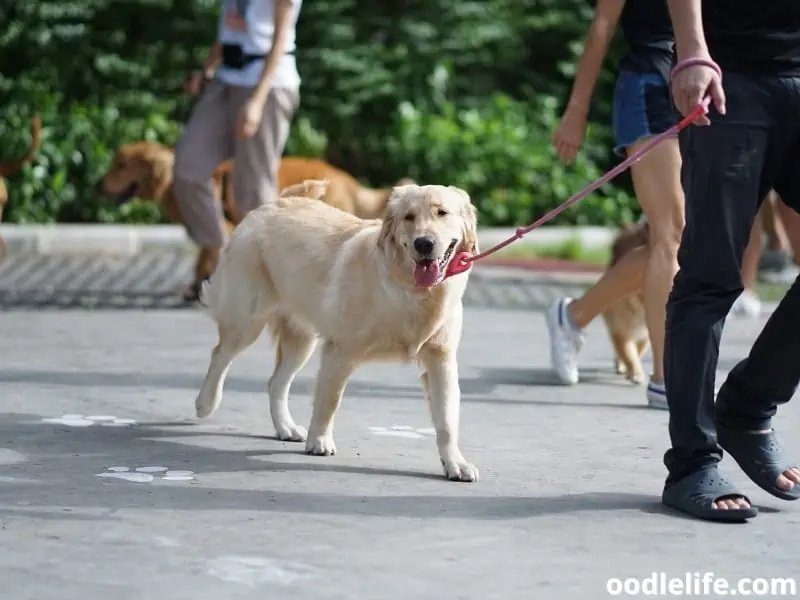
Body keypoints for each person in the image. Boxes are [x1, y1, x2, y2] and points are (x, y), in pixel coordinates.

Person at [548, 0, 764, 409]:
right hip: (651, 82)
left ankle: (573, 316)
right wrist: (576, 111)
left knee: (683, 238)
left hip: (712, 89)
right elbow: (602, 24)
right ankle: (667, 378)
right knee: (671, 231)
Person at [661, 0, 800, 522]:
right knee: (712, 275)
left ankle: (746, 406)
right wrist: (693, 50)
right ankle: (693, 462)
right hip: (730, 77)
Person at [174, 0, 303, 301]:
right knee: (187, 169)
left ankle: (268, 285)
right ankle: (220, 253)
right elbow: (229, 28)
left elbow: (280, 38)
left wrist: (257, 101)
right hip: (226, 79)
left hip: (267, 85)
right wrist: (207, 68)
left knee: (253, 193)